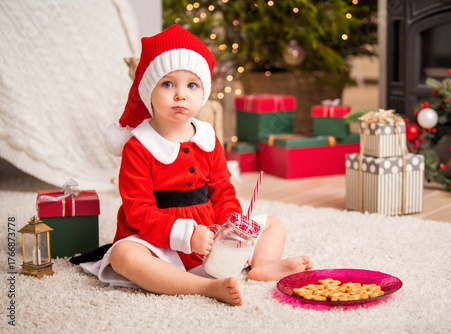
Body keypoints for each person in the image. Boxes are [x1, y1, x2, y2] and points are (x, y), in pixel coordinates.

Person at [88, 25, 312, 306]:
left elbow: (223, 191)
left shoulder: (207, 139)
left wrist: (229, 229)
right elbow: (138, 213)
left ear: (202, 92)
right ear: (149, 91)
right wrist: (186, 235)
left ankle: (263, 266)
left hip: (212, 232)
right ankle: (202, 287)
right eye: (168, 84)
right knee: (124, 257)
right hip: (159, 239)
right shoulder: (139, 146)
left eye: (191, 85)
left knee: (273, 225)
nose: (180, 94)